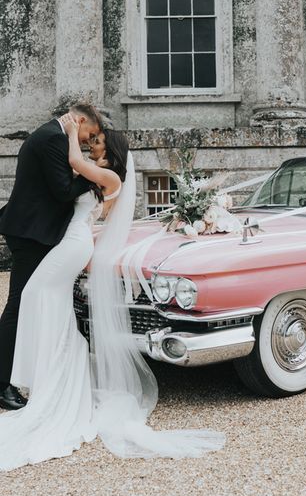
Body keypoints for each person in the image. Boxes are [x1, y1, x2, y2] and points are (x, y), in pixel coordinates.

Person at [0, 117, 224, 471]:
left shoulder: (110, 178)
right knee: (43, 300)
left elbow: (73, 163)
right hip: (71, 242)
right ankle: (50, 375)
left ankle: (55, 375)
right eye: (93, 139)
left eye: (99, 141)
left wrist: (71, 132)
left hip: (74, 245)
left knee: (35, 296)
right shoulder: (95, 172)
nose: (94, 143)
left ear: (112, 149)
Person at [0, 103, 101, 410]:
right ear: (80, 120)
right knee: (19, 304)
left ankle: (27, 373)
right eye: (90, 133)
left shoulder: (49, 135)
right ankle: (2, 384)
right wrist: (94, 176)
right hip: (32, 234)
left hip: (36, 231)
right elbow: (62, 191)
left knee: (31, 301)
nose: (89, 141)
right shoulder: (53, 138)